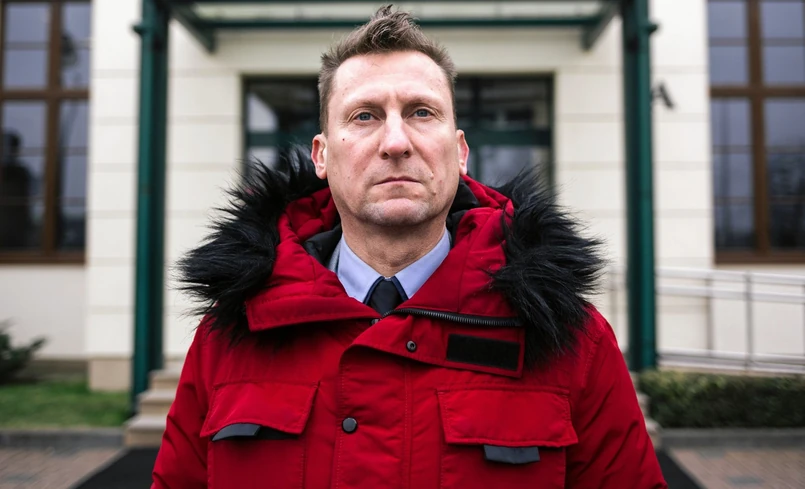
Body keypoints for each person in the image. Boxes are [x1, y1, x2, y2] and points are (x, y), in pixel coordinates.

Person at [152, 6, 667, 488]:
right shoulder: (231, 333)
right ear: (321, 156)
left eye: (421, 112)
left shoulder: (571, 338)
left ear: (460, 152)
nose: (396, 142)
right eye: (364, 116)